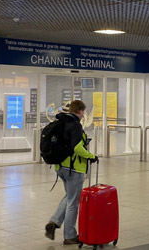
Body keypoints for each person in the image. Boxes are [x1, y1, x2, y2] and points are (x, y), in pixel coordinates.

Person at [45, 100, 97, 245]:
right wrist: (91, 156)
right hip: (74, 168)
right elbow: (77, 148)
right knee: (73, 202)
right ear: (80, 111)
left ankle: (54, 222)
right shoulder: (75, 125)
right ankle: (69, 235)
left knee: (70, 196)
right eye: (83, 112)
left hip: (60, 166)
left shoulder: (61, 122)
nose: (83, 115)